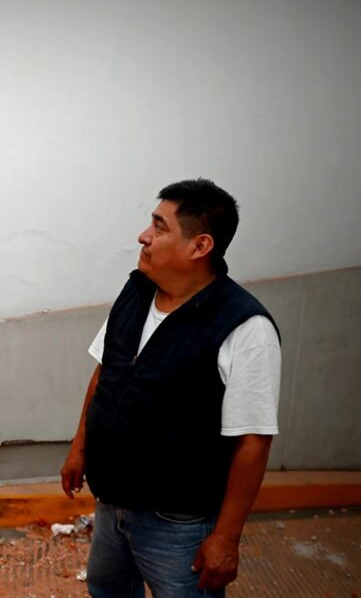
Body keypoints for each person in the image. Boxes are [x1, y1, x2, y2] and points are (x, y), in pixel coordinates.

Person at [60, 179, 281, 598]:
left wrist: (226, 539)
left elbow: (253, 440)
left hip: (177, 523)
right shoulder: (137, 291)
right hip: (111, 504)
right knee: (107, 592)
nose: (144, 236)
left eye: (159, 227)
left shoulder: (246, 327)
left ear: (199, 246)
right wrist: (79, 448)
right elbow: (105, 373)